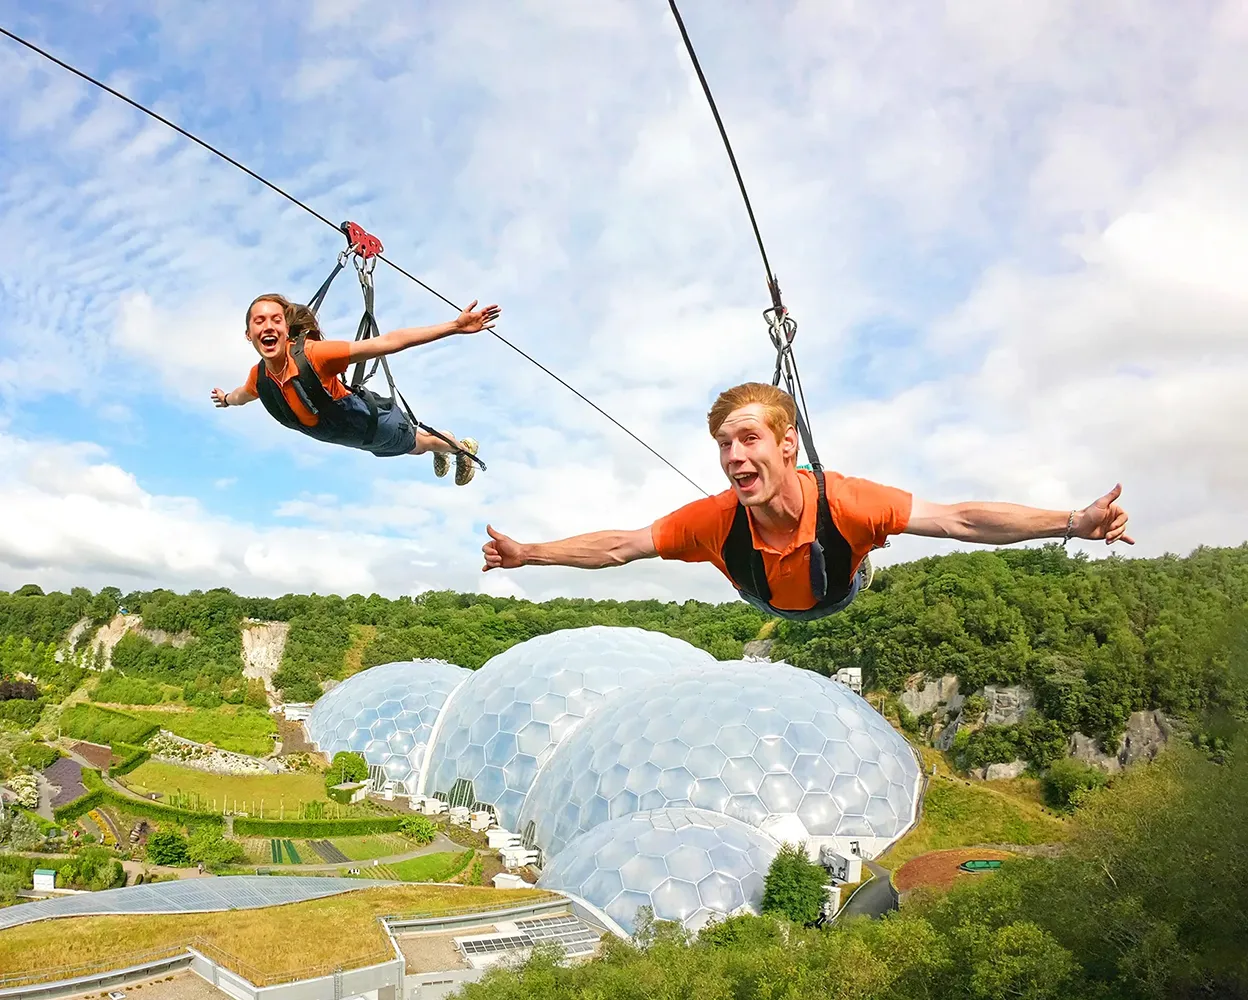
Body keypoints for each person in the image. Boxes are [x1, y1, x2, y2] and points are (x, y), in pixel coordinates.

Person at [481, 382, 1134, 619]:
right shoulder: (713, 519)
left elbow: (958, 518)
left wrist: (1074, 521)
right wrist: (527, 554)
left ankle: (864, 564)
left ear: (787, 445)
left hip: (837, 587)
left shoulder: (849, 502)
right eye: (722, 445)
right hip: (765, 595)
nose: (734, 456)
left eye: (748, 439)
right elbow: (623, 545)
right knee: (734, 557)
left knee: (850, 561)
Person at [211, 293, 500, 485]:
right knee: (416, 447)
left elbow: (388, 342)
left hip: (375, 426)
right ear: (249, 334)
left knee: (419, 445)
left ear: (287, 330)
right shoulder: (259, 378)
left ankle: (460, 448)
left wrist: (454, 326)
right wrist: (225, 399)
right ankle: (442, 444)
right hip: (354, 437)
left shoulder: (315, 355)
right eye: (259, 321)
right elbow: (241, 396)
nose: (268, 326)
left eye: (276, 320)